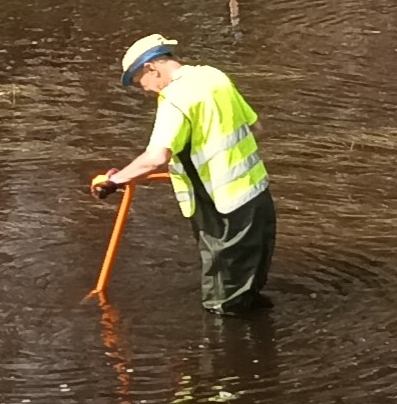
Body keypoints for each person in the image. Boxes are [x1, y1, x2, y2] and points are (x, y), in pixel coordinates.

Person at [92, 35, 276, 315]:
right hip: (257, 193)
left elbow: (156, 157)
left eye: (140, 82)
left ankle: (224, 350)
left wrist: (114, 180)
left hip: (221, 203)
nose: (145, 91)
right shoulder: (214, 77)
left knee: (222, 295)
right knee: (250, 275)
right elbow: (256, 127)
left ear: (152, 68)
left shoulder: (175, 99)